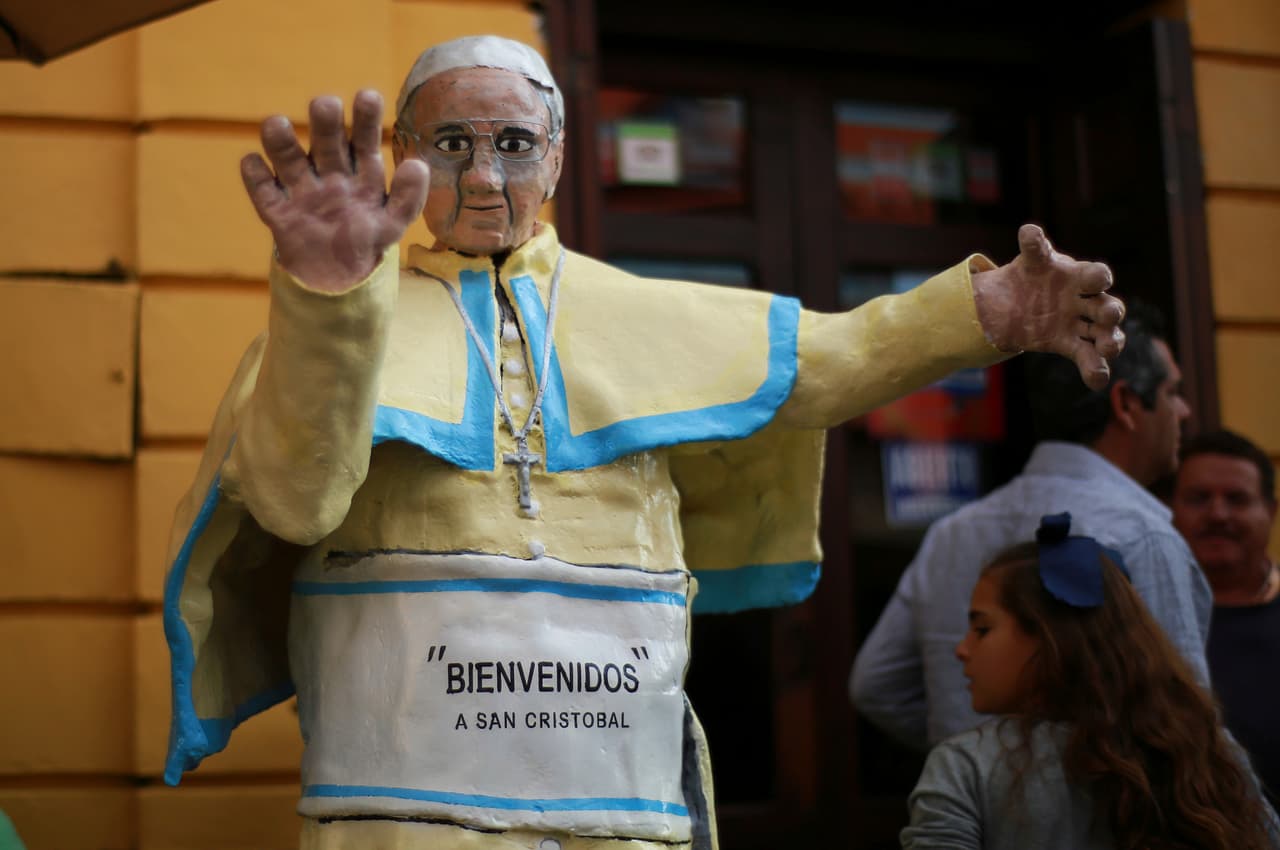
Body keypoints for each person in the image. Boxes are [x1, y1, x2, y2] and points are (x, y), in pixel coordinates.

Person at [159, 35, 1123, 850]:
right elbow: (293, 502)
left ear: (561, 157)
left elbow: (827, 362)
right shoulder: (333, 320)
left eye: (513, 143)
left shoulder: (643, 312)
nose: (487, 176)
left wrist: (982, 311)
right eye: (452, 144)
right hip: (407, 811)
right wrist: (329, 305)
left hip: (618, 803)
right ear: (406, 151)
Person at [850, 303, 1206, 749]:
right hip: (1106, 817)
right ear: (1128, 405)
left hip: (972, 816)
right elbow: (1184, 730)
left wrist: (975, 762)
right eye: (1174, 393)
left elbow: (876, 686)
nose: (1186, 411)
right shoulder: (1141, 536)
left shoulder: (952, 532)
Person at [901, 514, 1279, 850]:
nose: (962, 649)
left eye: (982, 628)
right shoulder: (1204, 748)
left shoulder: (966, 767)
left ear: (1051, 638)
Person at [1172, 428, 1280, 804]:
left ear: (1271, 510)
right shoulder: (1145, 620)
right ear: (1168, 509)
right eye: (1199, 499)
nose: (1218, 514)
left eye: (1237, 499)